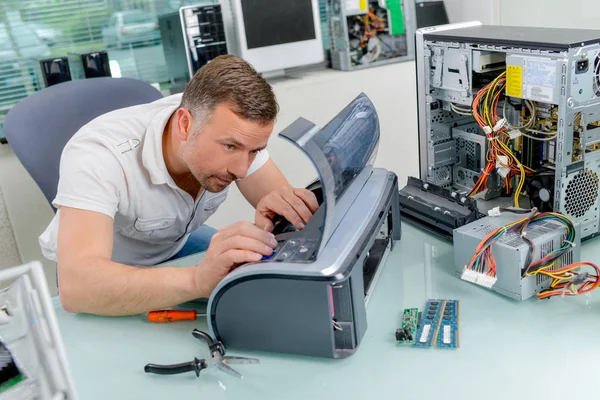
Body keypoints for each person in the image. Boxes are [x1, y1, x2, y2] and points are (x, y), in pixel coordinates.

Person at [39, 55, 319, 316]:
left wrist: (279, 220)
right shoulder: (98, 154)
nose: (242, 169)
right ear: (184, 125)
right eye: (230, 147)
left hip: (175, 246)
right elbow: (79, 288)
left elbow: (293, 216)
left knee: (260, 293)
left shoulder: (232, 130)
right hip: (109, 272)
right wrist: (196, 280)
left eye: (254, 151)